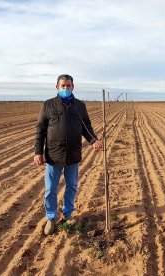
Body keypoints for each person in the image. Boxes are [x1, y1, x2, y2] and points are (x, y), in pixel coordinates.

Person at [34, 74, 102, 235]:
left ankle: (68, 214)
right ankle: (50, 217)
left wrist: (94, 141)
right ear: (57, 87)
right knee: (51, 188)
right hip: (53, 154)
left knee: (71, 186)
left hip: (72, 153)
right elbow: (40, 130)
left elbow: (86, 128)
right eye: (63, 86)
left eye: (68, 86)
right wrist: (38, 152)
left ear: (73, 87)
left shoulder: (79, 106)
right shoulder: (48, 105)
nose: (66, 88)